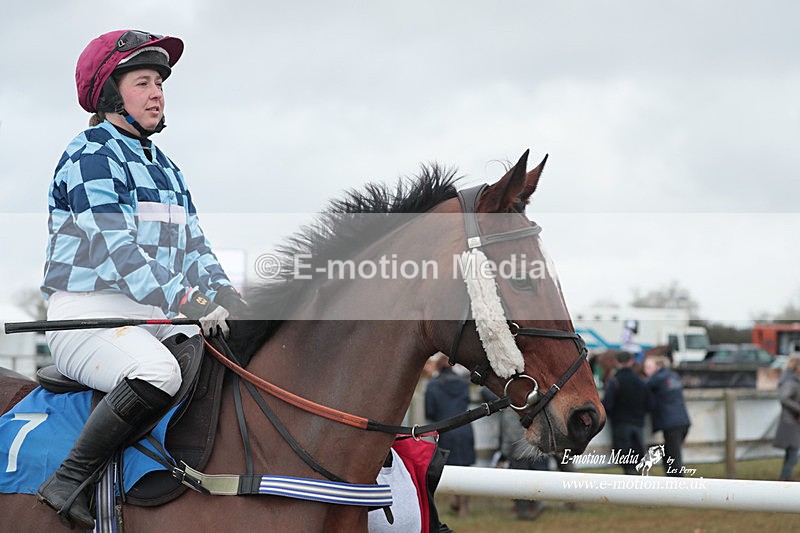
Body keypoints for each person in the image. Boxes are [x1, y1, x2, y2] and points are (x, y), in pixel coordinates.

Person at [37, 30, 246, 529]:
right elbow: (118, 252)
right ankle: (69, 480)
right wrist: (187, 298)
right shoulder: (90, 152)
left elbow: (196, 247)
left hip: (147, 315)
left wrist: (225, 295)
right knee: (158, 374)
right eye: (143, 82)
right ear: (111, 93)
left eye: (160, 83)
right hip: (86, 315)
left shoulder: (168, 169)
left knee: (228, 354)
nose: (157, 93)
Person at [424, 355, 475, 517]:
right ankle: (463, 506)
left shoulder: (432, 385)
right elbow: (467, 402)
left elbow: (429, 411)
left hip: (445, 430)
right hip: (465, 428)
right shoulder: (463, 384)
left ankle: (452, 499)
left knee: (445, 467)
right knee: (465, 467)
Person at [602, 351, 653, 475]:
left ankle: (632, 485)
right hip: (639, 424)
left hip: (621, 424)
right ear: (631, 362)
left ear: (617, 362)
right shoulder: (641, 381)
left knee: (626, 460)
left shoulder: (614, 381)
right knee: (638, 456)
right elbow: (650, 404)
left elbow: (607, 405)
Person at [644, 355, 691, 477]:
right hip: (682, 421)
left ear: (658, 367)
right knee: (669, 454)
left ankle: (677, 486)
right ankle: (672, 482)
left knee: (673, 459)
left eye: (649, 367)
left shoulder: (657, 379)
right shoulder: (673, 376)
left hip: (671, 424)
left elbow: (643, 388)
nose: (646, 371)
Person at [773, 355, 800, 481]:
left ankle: (785, 478)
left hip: (793, 421)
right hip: (791, 422)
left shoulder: (792, 380)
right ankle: (784, 479)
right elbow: (784, 398)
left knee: (791, 453)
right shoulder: (791, 382)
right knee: (793, 453)